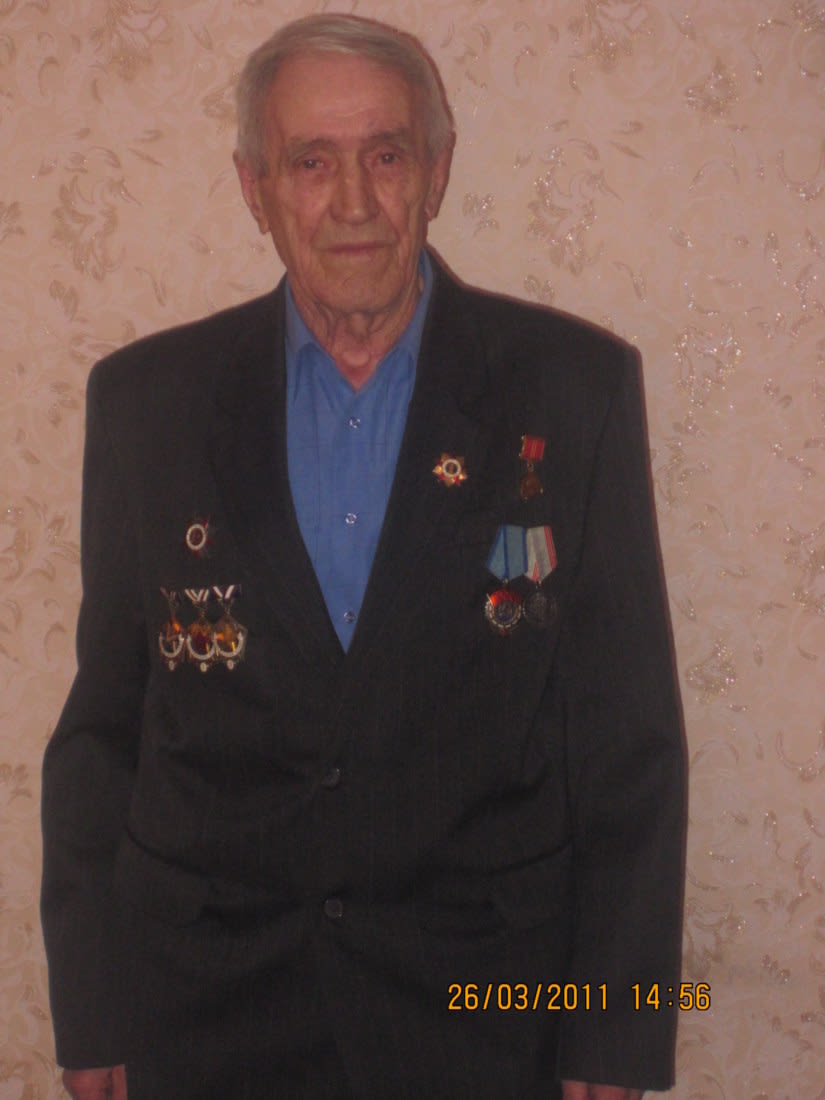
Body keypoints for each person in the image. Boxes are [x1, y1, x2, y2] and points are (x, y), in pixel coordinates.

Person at [41, 13, 686, 1100]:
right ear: (254, 188)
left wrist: (612, 1027)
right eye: (311, 162)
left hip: (482, 1014)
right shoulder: (149, 404)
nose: (352, 202)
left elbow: (626, 741)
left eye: (385, 156)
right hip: (205, 1010)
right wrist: (91, 999)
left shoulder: (571, 389)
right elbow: (106, 724)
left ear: (435, 171)